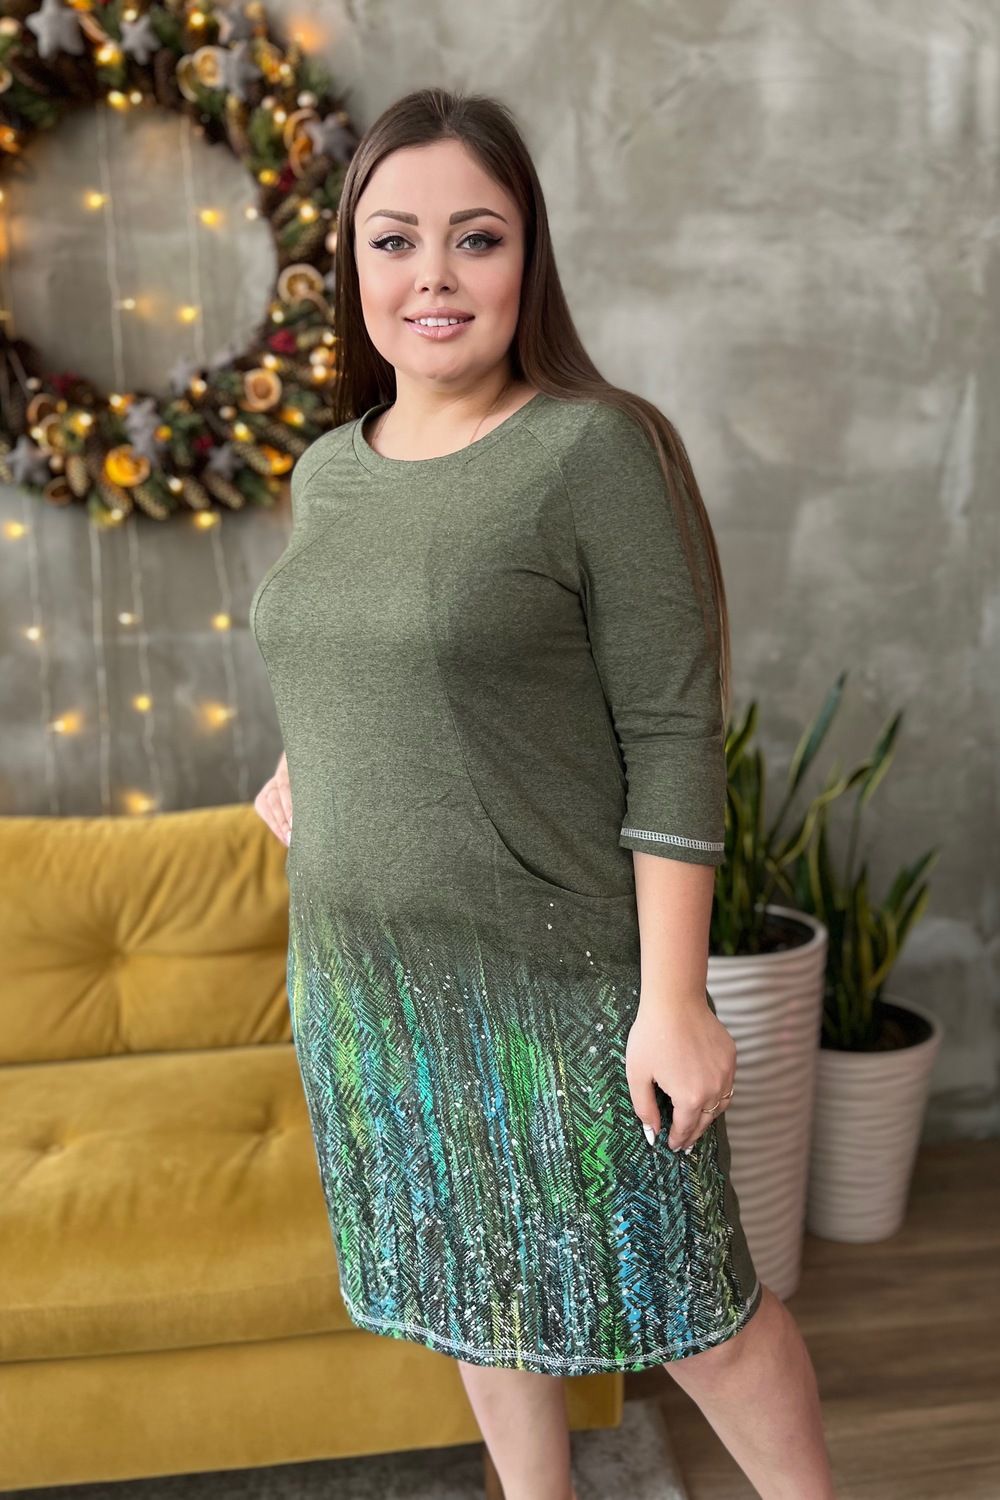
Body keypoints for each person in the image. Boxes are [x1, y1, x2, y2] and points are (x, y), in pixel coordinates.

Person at [251, 86, 836, 1500]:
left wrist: (676, 998)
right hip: (369, 984)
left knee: (701, 1312)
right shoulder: (327, 472)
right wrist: (305, 761)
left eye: (477, 238)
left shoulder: (593, 450)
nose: (433, 277)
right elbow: (352, 652)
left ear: (530, 257)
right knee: (475, 1287)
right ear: (351, 265)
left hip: (559, 977)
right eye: (394, 241)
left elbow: (672, 728)